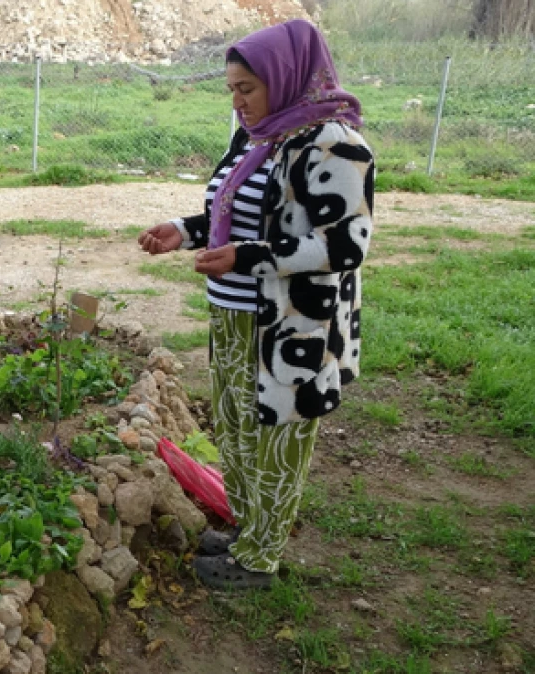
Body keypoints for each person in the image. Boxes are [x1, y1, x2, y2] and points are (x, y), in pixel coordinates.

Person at [137, 19, 376, 590]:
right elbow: (238, 210)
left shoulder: (334, 144)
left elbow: (346, 244)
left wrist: (247, 259)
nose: (238, 101)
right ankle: (249, 528)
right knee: (239, 428)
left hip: (293, 327)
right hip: (234, 313)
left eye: (247, 87)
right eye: (232, 90)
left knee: (278, 440)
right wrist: (185, 230)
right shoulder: (261, 134)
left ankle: (261, 561)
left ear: (284, 76)